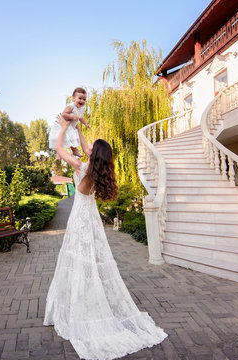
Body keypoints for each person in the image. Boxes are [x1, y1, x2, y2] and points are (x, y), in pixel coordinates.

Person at [44, 116, 167, 359]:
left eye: (91, 147)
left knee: (79, 259)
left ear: (93, 154)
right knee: (90, 260)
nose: (87, 147)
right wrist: (77, 127)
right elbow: (84, 146)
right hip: (91, 216)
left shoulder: (83, 167)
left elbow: (58, 148)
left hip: (80, 217)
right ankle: (90, 300)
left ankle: (83, 307)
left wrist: (65, 126)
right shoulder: (96, 168)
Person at [49, 87, 91, 159]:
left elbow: (80, 117)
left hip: (70, 126)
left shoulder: (81, 109)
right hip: (61, 125)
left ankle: (73, 151)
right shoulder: (71, 106)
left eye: (84, 99)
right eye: (80, 98)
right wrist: (72, 117)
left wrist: (86, 123)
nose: (82, 101)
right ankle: (62, 153)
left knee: (71, 137)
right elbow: (63, 114)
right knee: (65, 138)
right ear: (73, 98)